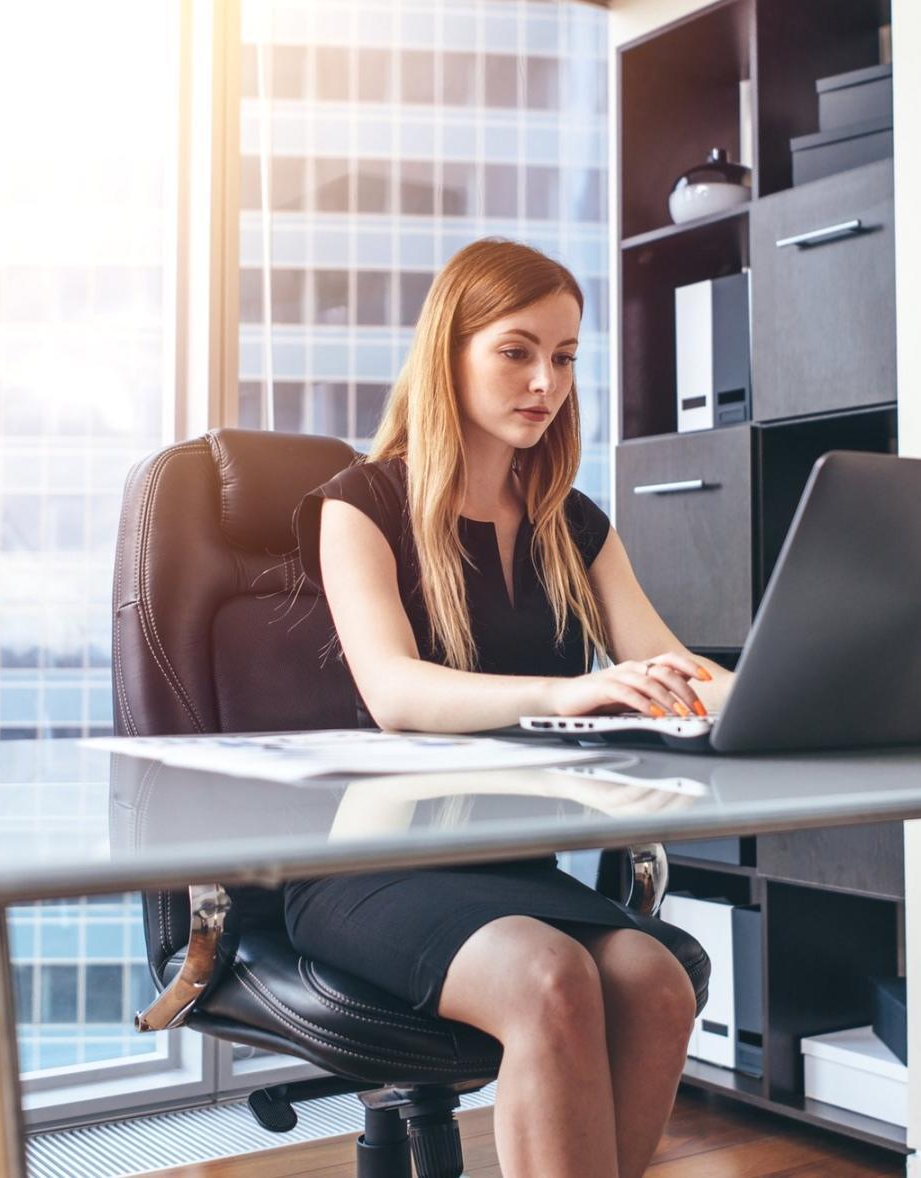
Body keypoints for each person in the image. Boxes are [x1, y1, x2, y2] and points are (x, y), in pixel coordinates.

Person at [290, 237, 734, 1178]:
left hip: (513, 864)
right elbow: (395, 691)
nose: (546, 381)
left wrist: (796, 694)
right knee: (549, 979)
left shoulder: (572, 523)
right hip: (370, 867)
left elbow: (669, 664)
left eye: (566, 357)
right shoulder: (360, 504)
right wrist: (568, 691)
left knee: (655, 981)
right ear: (449, 352)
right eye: (517, 351)